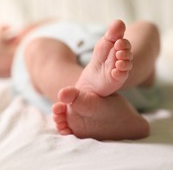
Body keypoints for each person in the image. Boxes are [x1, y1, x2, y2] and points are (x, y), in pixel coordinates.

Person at [0, 19, 160, 140]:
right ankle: (98, 102)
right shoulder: (23, 63)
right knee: (38, 48)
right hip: (78, 89)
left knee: (145, 27)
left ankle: (115, 79)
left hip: (116, 56)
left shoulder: (33, 29)